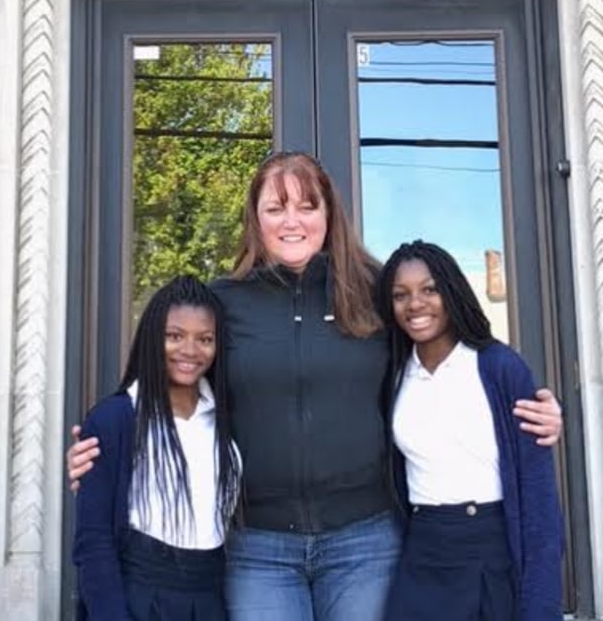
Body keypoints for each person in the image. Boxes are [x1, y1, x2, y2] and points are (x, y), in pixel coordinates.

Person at [68, 152, 563, 621]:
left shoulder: (374, 291)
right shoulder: (225, 302)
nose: (292, 221)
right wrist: (107, 444)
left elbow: (443, 350)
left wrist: (521, 400)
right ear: (255, 218)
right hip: (259, 547)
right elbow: (174, 378)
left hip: (365, 541)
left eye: (308, 205)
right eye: (276, 207)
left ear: (329, 214)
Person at [378, 240, 564, 621]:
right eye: (401, 295)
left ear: (452, 290)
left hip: (489, 550)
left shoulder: (498, 367)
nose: (415, 304)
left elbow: (538, 496)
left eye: (429, 289)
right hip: (423, 550)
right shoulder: (394, 375)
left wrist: (542, 605)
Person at [72, 275, 240, 620]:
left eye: (205, 339)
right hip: (141, 596)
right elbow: (94, 540)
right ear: (152, 338)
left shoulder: (228, 421)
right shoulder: (115, 420)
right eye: (174, 336)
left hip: (210, 597)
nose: (190, 351)